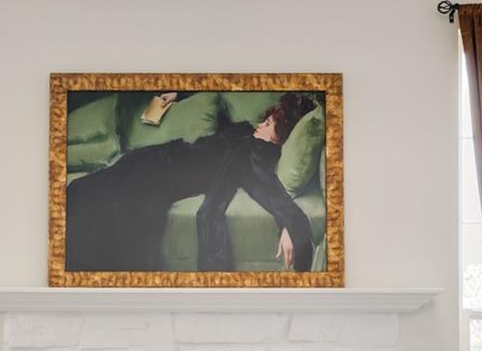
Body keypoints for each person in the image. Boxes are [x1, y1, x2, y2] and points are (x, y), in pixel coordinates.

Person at [64, 92, 317, 273]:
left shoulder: (257, 152)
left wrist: (290, 225)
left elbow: (269, 189)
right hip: (154, 161)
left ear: (279, 137)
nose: (261, 124)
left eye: (269, 124)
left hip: (158, 174)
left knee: (88, 198)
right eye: (265, 120)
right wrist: (178, 94)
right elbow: (223, 128)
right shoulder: (245, 135)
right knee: (85, 192)